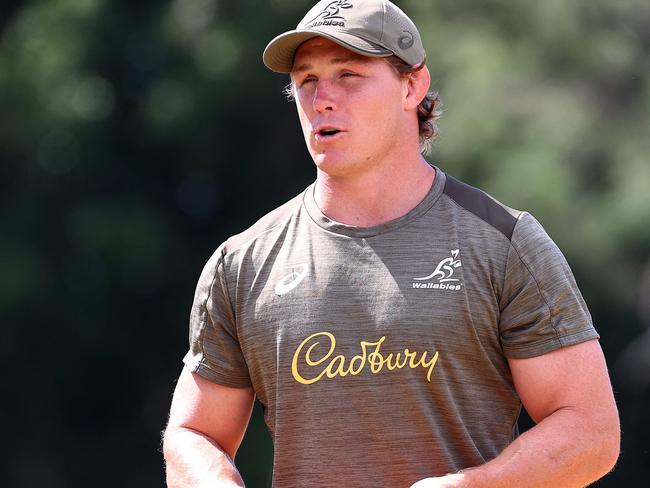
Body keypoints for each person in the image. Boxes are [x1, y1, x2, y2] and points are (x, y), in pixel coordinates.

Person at [163, 1, 620, 486]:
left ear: (412, 85)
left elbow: (591, 432)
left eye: (349, 74)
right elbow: (193, 433)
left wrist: (469, 487)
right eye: (306, 80)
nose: (322, 98)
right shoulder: (243, 263)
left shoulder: (505, 244)